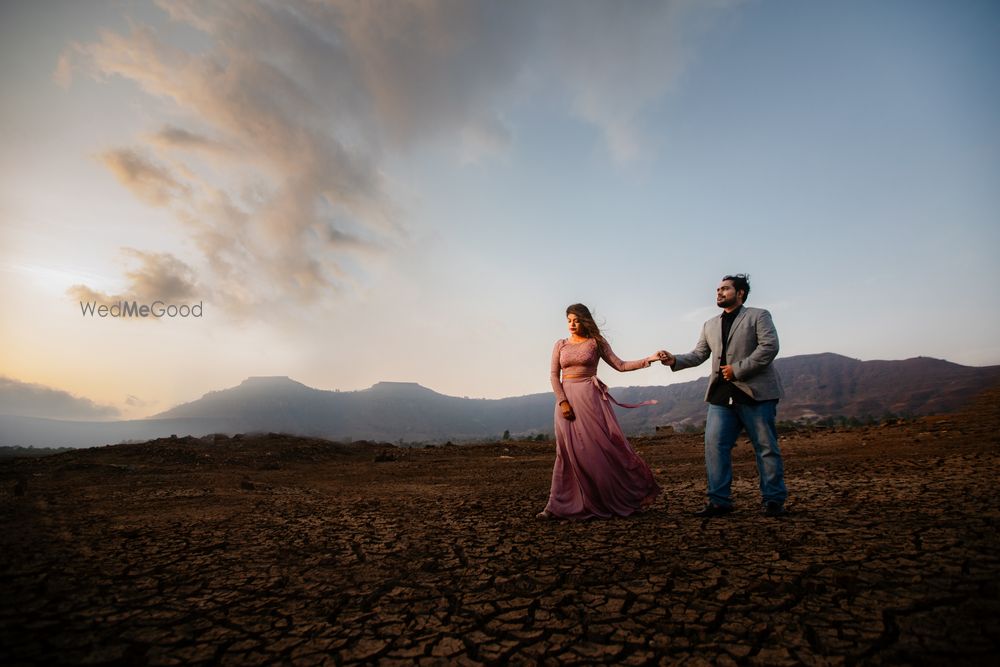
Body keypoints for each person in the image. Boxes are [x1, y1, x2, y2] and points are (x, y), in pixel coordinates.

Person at [659, 274, 788, 517]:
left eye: (725, 289)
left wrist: (738, 369)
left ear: (740, 293)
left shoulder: (759, 316)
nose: (719, 292)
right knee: (715, 446)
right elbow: (699, 354)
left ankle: (773, 500)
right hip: (720, 396)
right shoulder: (709, 324)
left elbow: (769, 347)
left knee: (765, 447)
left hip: (756, 394)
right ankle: (719, 502)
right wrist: (674, 359)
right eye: (718, 289)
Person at [538, 303, 662, 520]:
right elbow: (553, 376)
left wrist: (648, 359)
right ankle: (555, 506)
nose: (572, 324)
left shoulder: (596, 343)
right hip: (566, 401)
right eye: (569, 320)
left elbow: (620, 365)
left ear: (585, 320)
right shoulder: (560, 345)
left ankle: (606, 499)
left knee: (598, 450)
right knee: (566, 453)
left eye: (576, 320)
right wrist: (562, 402)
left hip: (590, 399)